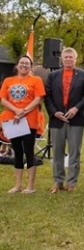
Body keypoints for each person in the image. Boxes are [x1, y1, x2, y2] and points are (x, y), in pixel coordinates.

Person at [44, 47, 84, 193]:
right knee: (57, 151)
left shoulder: (83, 75)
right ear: (62, 59)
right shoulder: (53, 76)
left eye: (71, 57)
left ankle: (71, 183)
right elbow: (47, 96)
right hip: (57, 119)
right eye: (66, 57)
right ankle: (58, 182)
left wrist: (76, 108)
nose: (68, 59)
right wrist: (54, 112)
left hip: (76, 119)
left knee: (74, 152)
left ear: (75, 59)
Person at [0, 55, 45, 194]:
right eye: (22, 63)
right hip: (12, 120)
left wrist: (24, 111)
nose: (24, 65)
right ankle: (18, 185)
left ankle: (30, 186)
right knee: (17, 152)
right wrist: (16, 111)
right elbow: (3, 99)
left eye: (27, 63)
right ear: (17, 65)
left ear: (31, 66)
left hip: (29, 121)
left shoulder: (36, 80)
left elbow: (38, 99)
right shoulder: (8, 80)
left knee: (29, 151)